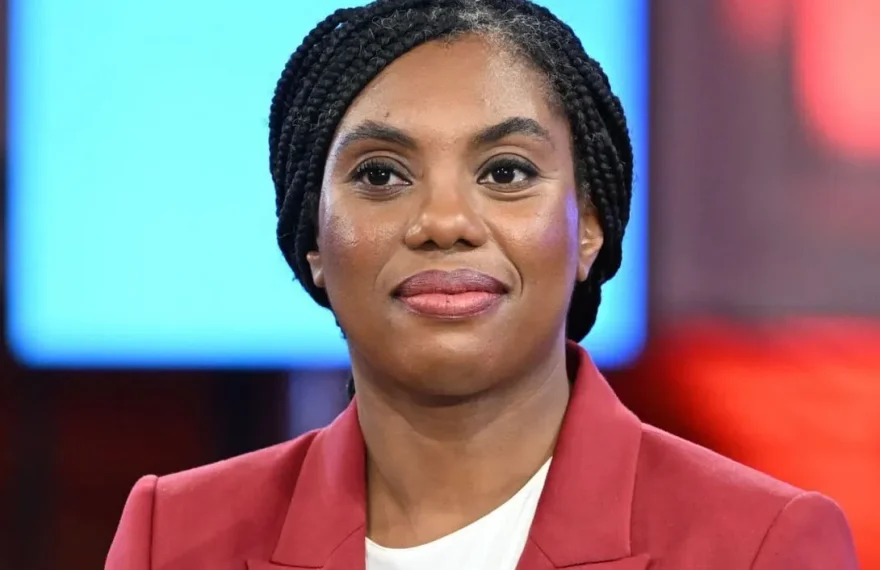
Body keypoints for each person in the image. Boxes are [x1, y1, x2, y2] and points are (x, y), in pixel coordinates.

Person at [106, 1, 860, 569]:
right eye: (380, 175)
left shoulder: (762, 544)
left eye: (506, 173)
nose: (443, 221)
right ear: (312, 242)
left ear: (589, 227)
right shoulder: (171, 534)